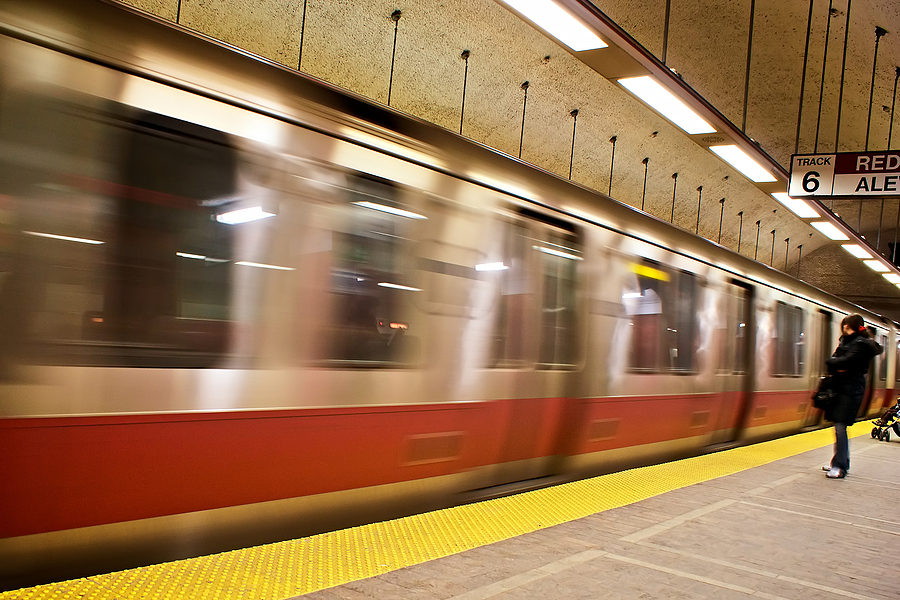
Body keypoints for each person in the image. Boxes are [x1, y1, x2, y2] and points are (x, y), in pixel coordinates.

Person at [822, 314, 882, 478]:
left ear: (848, 326)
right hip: (843, 388)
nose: (844, 329)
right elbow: (836, 361)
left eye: (845, 326)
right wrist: (836, 364)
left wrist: (836, 364)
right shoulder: (848, 342)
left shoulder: (861, 345)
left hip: (850, 390)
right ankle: (838, 462)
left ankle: (840, 467)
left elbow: (843, 362)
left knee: (841, 427)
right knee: (838, 427)